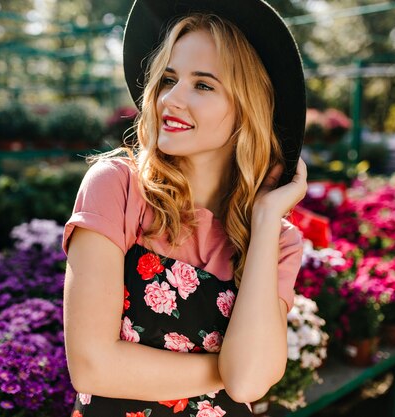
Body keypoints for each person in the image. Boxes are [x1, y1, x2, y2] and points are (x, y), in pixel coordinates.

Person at [62, 0, 307, 415]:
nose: (170, 99)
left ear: (247, 109)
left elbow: (248, 382)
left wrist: (265, 221)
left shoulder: (277, 242)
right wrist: (226, 369)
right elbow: (91, 367)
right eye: (169, 79)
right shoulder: (117, 188)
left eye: (203, 84)